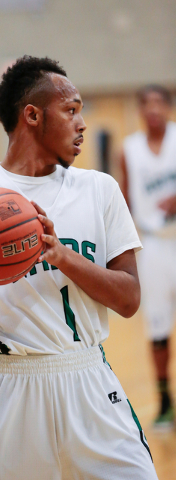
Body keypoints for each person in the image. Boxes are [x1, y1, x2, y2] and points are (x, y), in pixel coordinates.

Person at [0, 56, 158, 480]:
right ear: (31, 115)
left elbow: (129, 300)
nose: (82, 122)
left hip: (86, 380)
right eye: (71, 109)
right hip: (6, 385)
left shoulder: (100, 189)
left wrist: (61, 254)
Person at [121, 85, 176, 431]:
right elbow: (125, 197)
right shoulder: (128, 149)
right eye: (146, 104)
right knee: (158, 328)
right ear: (140, 111)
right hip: (153, 244)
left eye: (159, 103)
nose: (153, 109)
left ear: (169, 108)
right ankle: (165, 401)